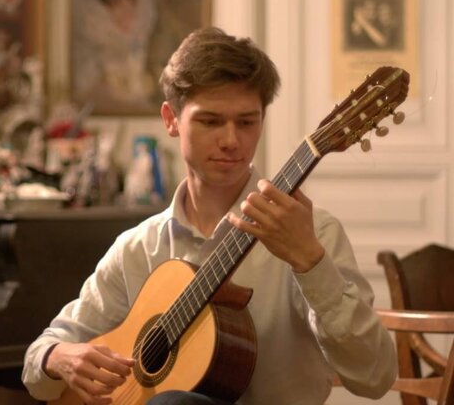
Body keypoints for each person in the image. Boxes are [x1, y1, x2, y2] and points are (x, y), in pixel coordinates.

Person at [22, 27, 397, 404]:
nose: (231, 140)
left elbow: (376, 377)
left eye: (246, 122)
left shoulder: (312, 233)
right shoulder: (139, 248)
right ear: (171, 119)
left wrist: (310, 263)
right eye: (211, 121)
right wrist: (59, 357)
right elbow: (40, 357)